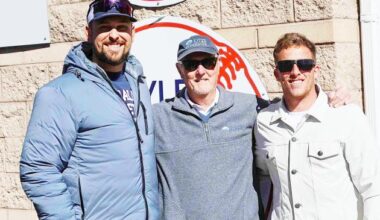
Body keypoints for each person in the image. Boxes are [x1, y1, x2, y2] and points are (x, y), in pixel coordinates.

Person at [153, 35, 350, 220]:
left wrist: (328, 99)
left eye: (208, 62)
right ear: (179, 70)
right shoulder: (156, 117)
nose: (201, 71)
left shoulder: (250, 107)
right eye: (191, 64)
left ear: (218, 65)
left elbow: (291, 107)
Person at [20, 1, 159, 219]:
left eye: (122, 27)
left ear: (133, 33)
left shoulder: (138, 84)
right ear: (88, 32)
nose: (115, 35)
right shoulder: (60, 93)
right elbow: (38, 169)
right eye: (104, 27)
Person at [254, 33, 380, 220]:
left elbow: (373, 188)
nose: (296, 72)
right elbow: (264, 178)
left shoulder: (346, 117)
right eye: (286, 66)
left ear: (316, 70)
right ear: (277, 74)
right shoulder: (264, 123)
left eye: (304, 64)